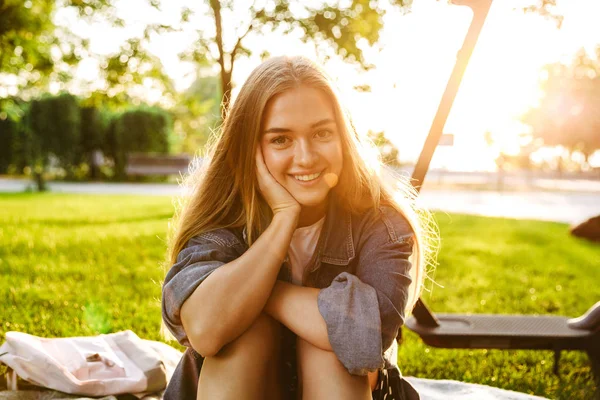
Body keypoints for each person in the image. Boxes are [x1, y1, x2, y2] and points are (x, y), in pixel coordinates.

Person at [161, 56, 436, 400]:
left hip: (340, 388)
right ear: (250, 149)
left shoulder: (379, 221)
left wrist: (264, 295)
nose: (305, 157)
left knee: (332, 347)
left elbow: (367, 338)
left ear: (343, 138)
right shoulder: (226, 218)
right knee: (245, 336)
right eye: (280, 140)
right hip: (240, 384)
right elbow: (205, 330)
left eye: (321, 133)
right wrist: (283, 219)